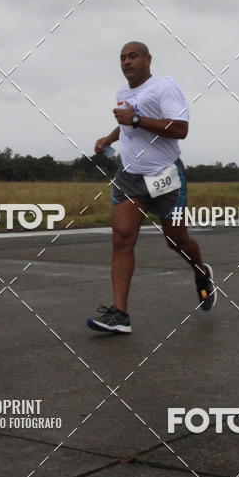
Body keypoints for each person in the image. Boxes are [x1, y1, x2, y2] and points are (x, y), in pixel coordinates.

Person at [88, 41, 215, 333]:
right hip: (130, 176)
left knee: (176, 241)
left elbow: (180, 129)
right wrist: (109, 138)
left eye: (133, 56)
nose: (127, 62)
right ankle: (119, 315)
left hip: (165, 177)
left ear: (148, 59)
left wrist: (135, 118)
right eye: (122, 58)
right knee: (121, 237)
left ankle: (200, 272)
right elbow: (127, 125)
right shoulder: (124, 92)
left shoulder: (164, 87)